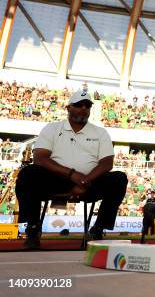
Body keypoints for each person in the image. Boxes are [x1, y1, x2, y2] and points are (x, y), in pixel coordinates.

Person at [15, 89, 127, 249]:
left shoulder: (100, 132)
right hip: (56, 180)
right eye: (78, 105)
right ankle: (33, 229)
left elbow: (107, 163)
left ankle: (98, 229)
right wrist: (72, 175)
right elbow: (40, 158)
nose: (83, 108)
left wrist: (84, 181)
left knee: (118, 179)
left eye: (87, 105)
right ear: (68, 108)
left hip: (89, 183)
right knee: (28, 173)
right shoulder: (52, 128)